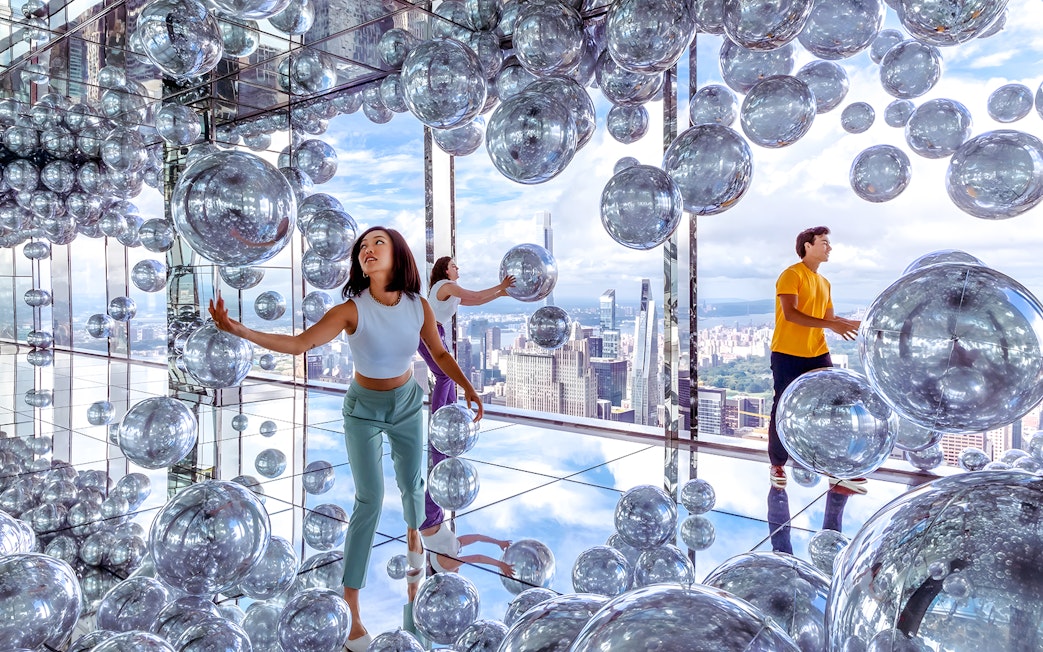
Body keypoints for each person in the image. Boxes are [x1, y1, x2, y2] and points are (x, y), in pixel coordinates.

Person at [209, 226, 483, 652]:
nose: (367, 250)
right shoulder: (351, 309)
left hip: (408, 404)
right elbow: (300, 344)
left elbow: (440, 354)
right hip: (363, 409)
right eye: (362, 247)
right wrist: (241, 331)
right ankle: (351, 604)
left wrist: (466, 386)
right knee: (369, 499)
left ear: (398, 255)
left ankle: (415, 542)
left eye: (378, 243)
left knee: (413, 486)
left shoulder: (419, 306)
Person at [416, 256, 514, 531]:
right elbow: (474, 294)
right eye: (455, 265)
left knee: (444, 376)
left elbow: (477, 300)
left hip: (434, 333)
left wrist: (500, 292)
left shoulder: (448, 292)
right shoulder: (446, 285)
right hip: (430, 333)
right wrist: (500, 284)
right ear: (445, 270)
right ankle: (440, 422)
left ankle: (447, 417)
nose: (459, 268)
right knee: (445, 375)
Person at [767, 226, 861, 489]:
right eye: (824, 242)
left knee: (832, 407)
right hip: (787, 353)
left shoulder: (824, 282)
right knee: (782, 408)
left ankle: (834, 466)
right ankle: (777, 464)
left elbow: (828, 319)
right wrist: (832, 325)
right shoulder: (791, 275)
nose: (829, 247)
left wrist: (848, 323)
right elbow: (791, 314)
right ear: (807, 246)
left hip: (817, 352)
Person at [420, 520, 515, 576]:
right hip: (436, 517)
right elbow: (477, 537)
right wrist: (498, 542)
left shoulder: (446, 566)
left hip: (429, 520)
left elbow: (477, 558)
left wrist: (501, 565)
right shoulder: (452, 549)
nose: (458, 573)